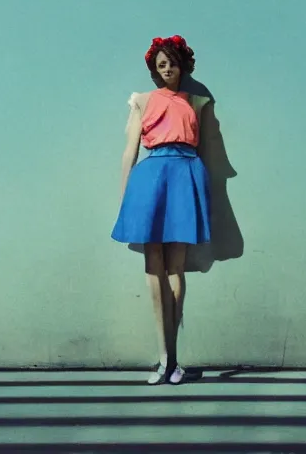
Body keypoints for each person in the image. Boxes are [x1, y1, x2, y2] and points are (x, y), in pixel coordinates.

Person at [111, 35, 211, 385]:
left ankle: (174, 358)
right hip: (151, 179)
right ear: (155, 70)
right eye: (161, 65)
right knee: (152, 264)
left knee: (176, 267)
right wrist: (126, 197)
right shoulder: (142, 100)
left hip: (185, 174)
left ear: (182, 63)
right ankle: (163, 358)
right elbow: (130, 150)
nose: (167, 69)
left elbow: (213, 153)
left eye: (171, 62)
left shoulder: (198, 101)